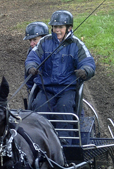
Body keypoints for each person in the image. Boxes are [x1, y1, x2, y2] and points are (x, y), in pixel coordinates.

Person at [25, 10, 96, 143]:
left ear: (69, 28)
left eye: (60, 27)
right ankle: (41, 141)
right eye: (55, 27)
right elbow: (32, 57)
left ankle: (64, 142)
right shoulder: (44, 42)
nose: (57, 30)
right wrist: (32, 67)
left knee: (65, 106)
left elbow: (88, 62)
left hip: (67, 89)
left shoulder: (76, 44)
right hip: (46, 88)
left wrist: (85, 71)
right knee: (39, 106)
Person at [23, 22, 49, 92]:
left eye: (35, 40)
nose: (31, 44)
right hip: (36, 87)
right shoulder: (31, 52)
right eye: (30, 40)